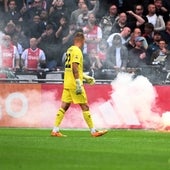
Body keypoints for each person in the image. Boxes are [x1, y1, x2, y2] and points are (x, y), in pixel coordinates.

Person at [51, 32, 108, 137]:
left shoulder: (70, 50)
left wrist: (86, 77)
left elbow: (71, 68)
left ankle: (55, 130)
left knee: (64, 106)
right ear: (82, 40)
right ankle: (93, 131)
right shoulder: (77, 51)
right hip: (74, 84)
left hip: (67, 82)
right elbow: (74, 67)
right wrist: (78, 83)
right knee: (85, 106)